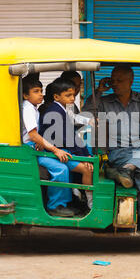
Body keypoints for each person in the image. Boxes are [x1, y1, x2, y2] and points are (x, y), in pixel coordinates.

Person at [82, 64, 140, 232]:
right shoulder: (105, 102)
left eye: (119, 80)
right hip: (119, 152)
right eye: (113, 80)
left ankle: (129, 170)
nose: (115, 84)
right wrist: (99, 91)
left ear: (130, 81)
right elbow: (85, 114)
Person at [21, 76, 78, 217]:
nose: (41, 94)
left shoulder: (33, 108)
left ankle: (65, 202)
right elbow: (33, 135)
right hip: (28, 150)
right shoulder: (27, 108)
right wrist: (55, 150)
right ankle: (54, 206)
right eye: (36, 91)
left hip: (35, 147)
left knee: (64, 164)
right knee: (60, 168)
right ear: (25, 95)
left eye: (41, 90)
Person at [39, 77, 94, 210]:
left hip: (62, 150)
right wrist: (83, 156)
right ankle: (90, 203)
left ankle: (78, 199)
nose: (72, 98)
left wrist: (85, 154)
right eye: (68, 95)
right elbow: (67, 138)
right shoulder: (54, 112)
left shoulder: (62, 110)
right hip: (51, 152)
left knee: (88, 166)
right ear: (56, 97)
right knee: (87, 169)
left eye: (73, 95)